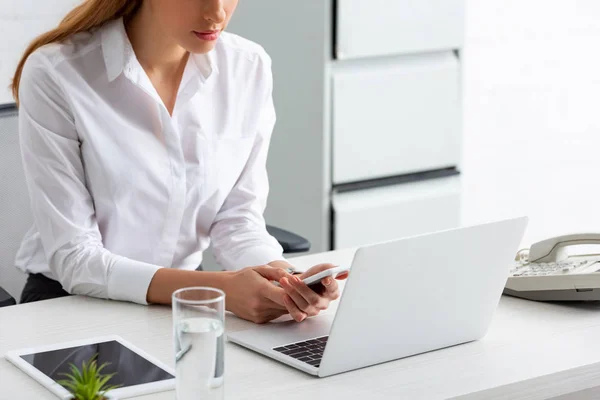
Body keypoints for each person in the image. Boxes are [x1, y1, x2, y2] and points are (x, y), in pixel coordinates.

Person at [10, 0, 346, 324]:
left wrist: (286, 283)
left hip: (188, 300)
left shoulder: (247, 66)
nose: (216, 12)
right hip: (70, 306)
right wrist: (221, 290)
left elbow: (237, 218)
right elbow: (76, 259)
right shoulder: (58, 72)